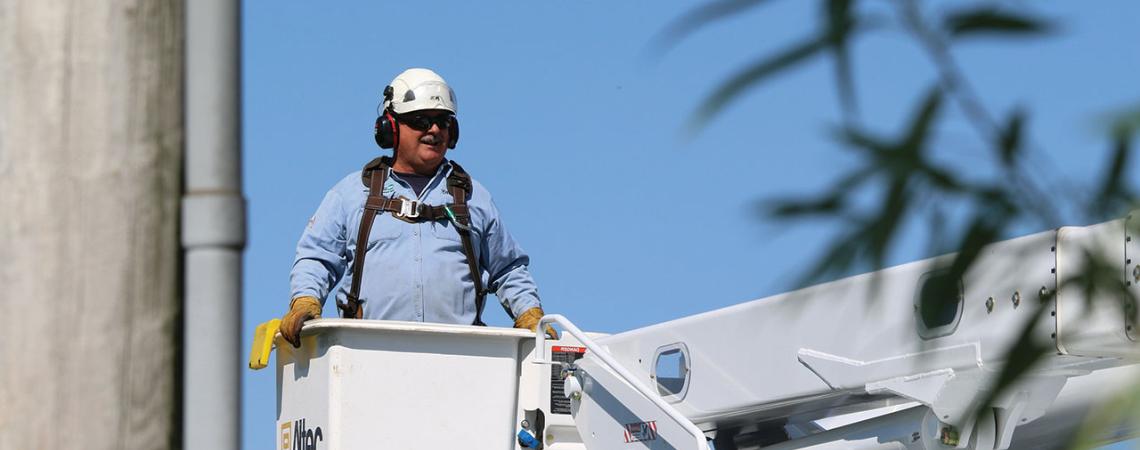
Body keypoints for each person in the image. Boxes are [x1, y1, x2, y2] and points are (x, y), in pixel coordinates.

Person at [280, 68, 551, 347]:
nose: (433, 130)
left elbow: (508, 269)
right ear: (390, 128)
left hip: (459, 362)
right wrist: (305, 301)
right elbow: (317, 257)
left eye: (443, 122)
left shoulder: (473, 197)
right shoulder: (352, 194)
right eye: (420, 120)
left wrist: (530, 314)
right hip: (367, 359)